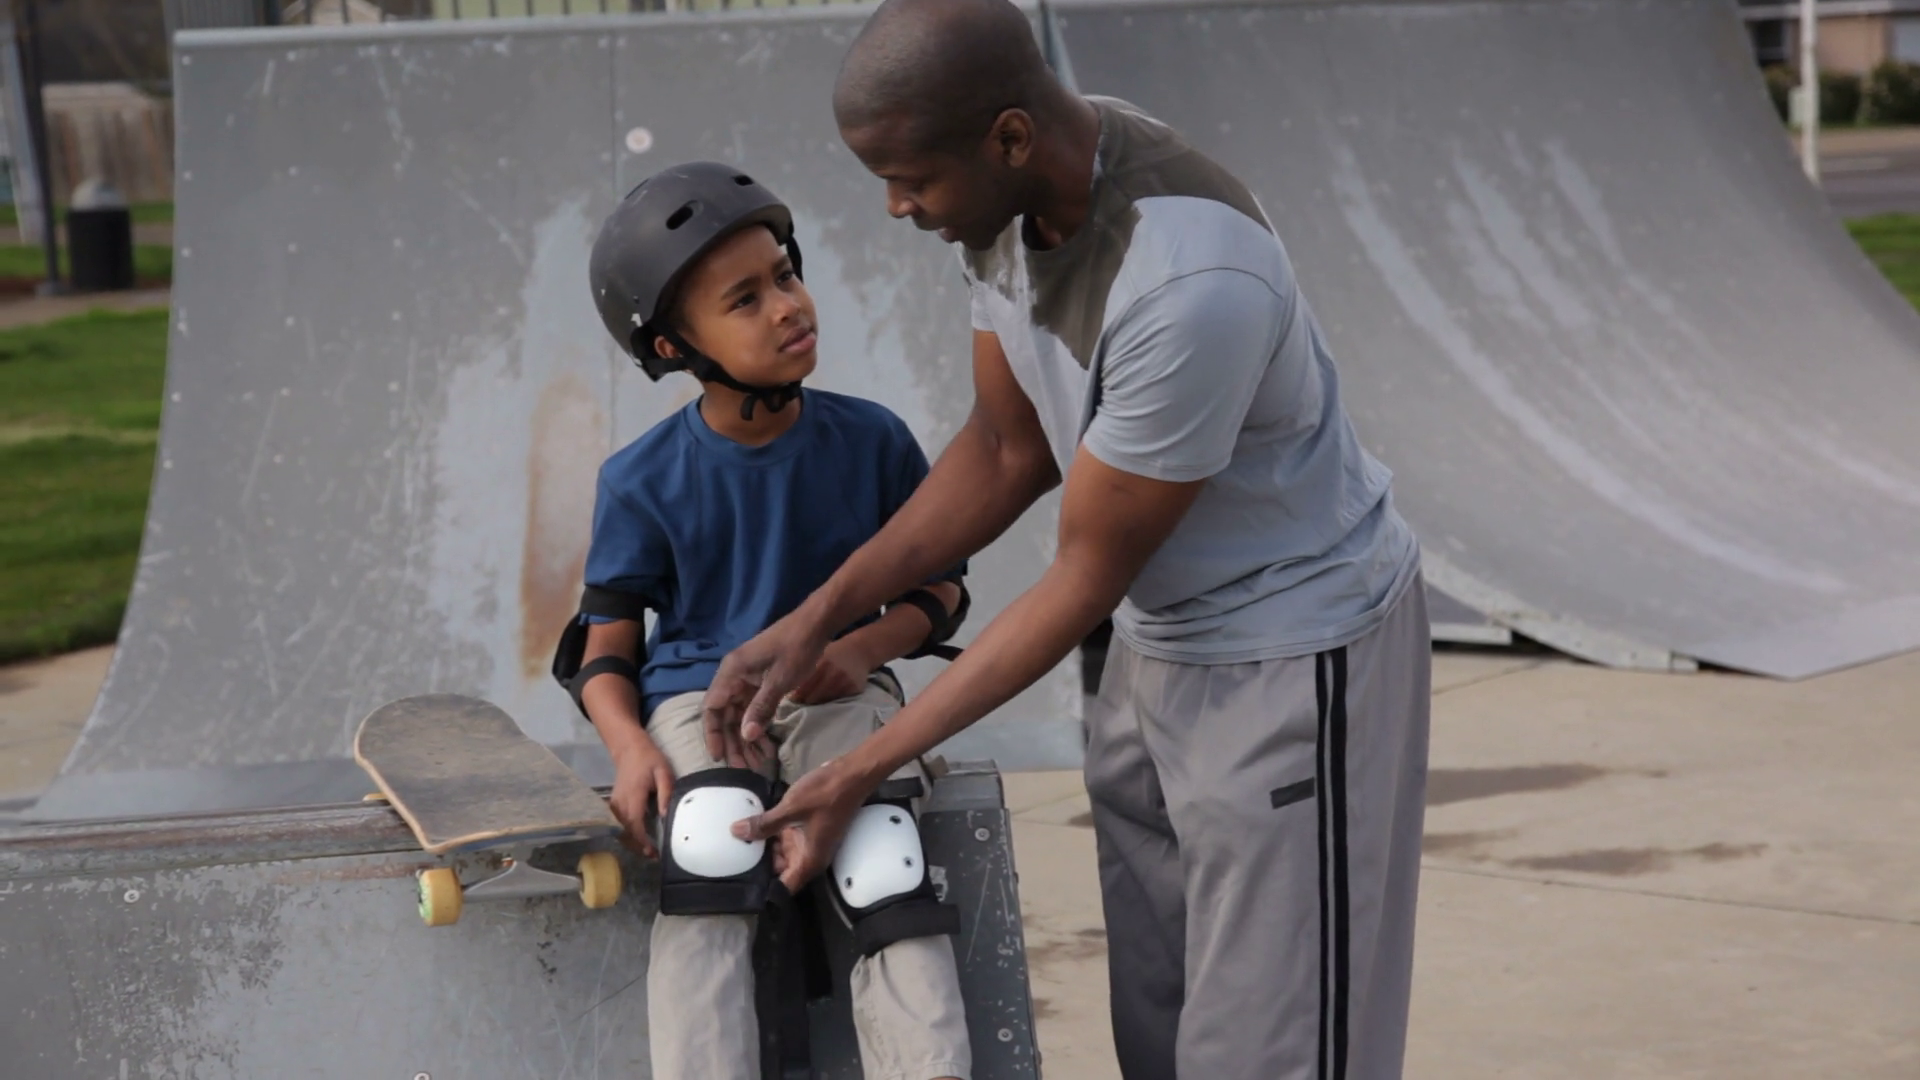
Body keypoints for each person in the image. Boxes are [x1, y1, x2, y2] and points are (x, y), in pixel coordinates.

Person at [701, 1, 1433, 1077]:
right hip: (1158, 644)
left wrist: (862, 765)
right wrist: (819, 616)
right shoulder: (1011, 195)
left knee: (1272, 1050)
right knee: (1162, 1027)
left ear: (1008, 136)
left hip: (1288, 662)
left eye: (911, 179)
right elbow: (1007, 448)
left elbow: (1082, 572)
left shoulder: (1189, 283)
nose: (897, 207)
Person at [561, 161, 971, 1080]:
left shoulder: (873, 440)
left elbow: (941, 591)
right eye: (745, 300)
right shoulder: (639, 479)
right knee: (708, 845)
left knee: (882, 861)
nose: (787, 307)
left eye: (784, 276)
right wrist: (629, 748)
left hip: (842, 690)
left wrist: (860, 649)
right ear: (674, 346)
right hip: (698, 698)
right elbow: (605, 649)